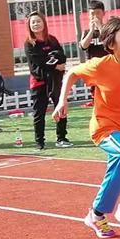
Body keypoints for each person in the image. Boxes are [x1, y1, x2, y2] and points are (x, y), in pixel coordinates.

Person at [52, 17, 120, 238]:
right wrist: (62, 101)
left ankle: (96, 214)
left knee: (119, 165)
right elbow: (72, 73)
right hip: (104, 128)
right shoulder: (101, 65)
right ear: (111, 43)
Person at [24, 11, 72, 150]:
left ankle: (61, 138)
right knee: (39, 112)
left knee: (61, 107)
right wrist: (54, 65)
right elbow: (39, 63)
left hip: (55, 81)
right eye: (33, 22)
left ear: (44, 23)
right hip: (38, 82)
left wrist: (56, 64)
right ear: (29, 25)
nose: (36, 24)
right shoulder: (29, 44)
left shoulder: (52, 40)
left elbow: (61, 57)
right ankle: (39, 141)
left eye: (38, 21)